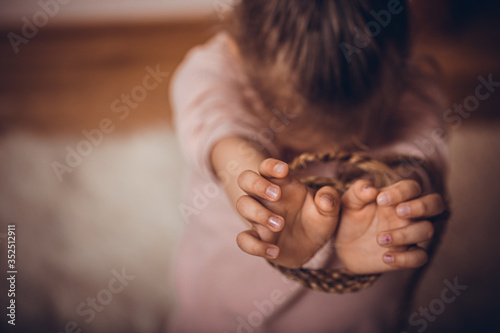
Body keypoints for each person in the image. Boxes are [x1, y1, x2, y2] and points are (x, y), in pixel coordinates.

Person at [170, 0, 448, 332]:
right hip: (217, 311)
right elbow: (216, 128)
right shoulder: (213, 70)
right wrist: (250, 179)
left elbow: (418, 155)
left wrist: (392, 203)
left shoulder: (417, 97)